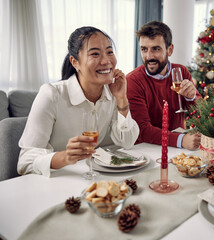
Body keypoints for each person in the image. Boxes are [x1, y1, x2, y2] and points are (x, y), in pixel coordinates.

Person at [18, 26, 139, 177]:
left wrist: (121, 98)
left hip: (96, 178)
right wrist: (64, 157)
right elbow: (25, 162)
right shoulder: (51, 94)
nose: (106, 61)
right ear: (75, 62)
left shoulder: (112, 92)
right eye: (95, 54)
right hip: (58, 181)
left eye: (109, 52)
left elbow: (127, 142)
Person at [126, 21, 202, 150]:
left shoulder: (181, 72)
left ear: (170, 50)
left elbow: (201, 113)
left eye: (156, 49)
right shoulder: (133, 81)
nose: (149, 56)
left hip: (176, 148)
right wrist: (181, 140)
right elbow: (142, 129)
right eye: (144, 49)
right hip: (146, 149)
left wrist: (191, 97)